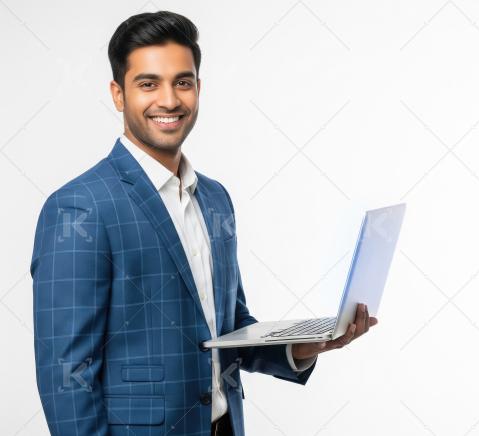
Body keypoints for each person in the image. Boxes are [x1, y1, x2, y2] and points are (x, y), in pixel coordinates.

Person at [30, 11, 377, 436]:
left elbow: (228, 331)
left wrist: (314, 342)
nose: (169, 100)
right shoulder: (80, 208)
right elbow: (66, 376)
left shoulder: (215, 199)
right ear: (118, 94)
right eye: (148, 84)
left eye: (182, 81)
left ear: (198, 87)